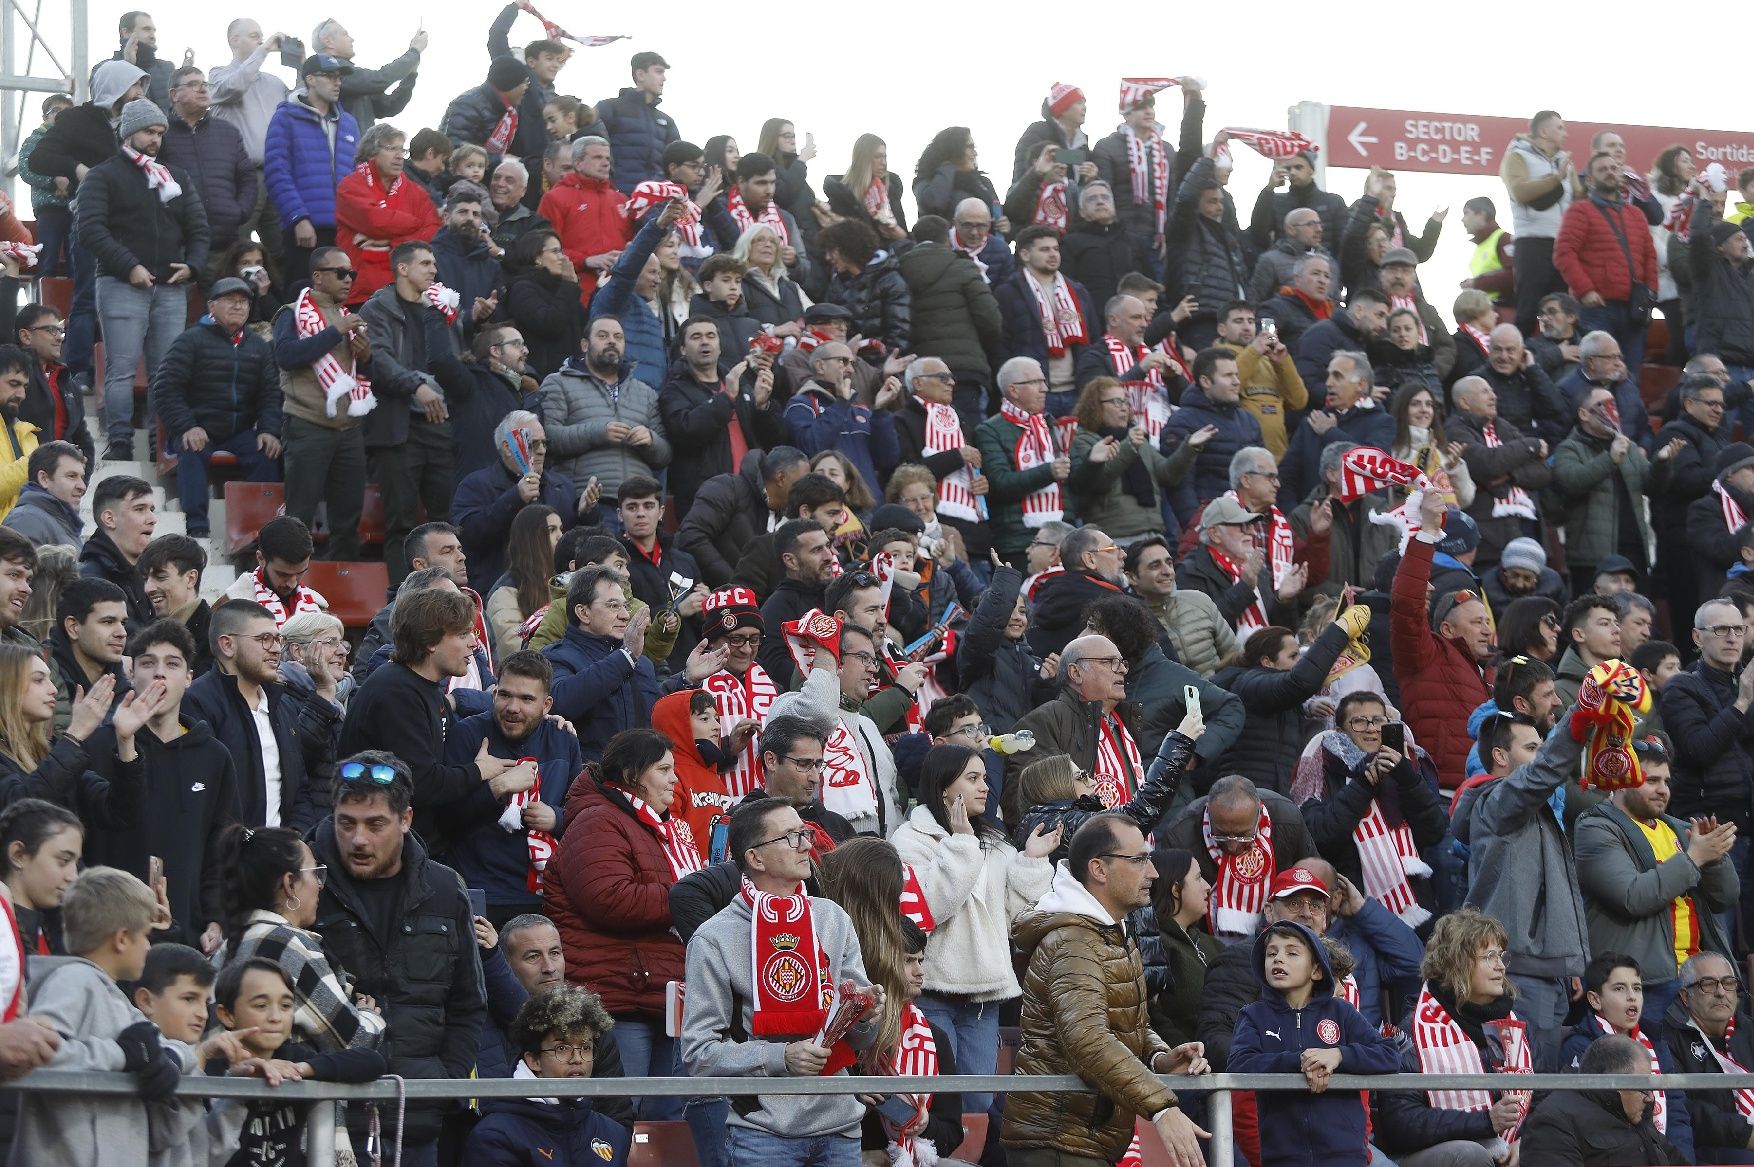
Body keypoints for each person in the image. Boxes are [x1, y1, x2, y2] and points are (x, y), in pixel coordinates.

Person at [680, 796, 883, 1164]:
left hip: (840, 1128)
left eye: (804, 832)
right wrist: (781, 1057)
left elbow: (860, 1037)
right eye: (791, 837)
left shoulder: (832, 918)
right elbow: (698, 1054)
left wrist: (867, 1015)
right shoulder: (714, 938)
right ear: (755, 858)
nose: (808, 843)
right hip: (763, 1134)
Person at [1004, 813, 1210, 1167]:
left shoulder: (1110, 932)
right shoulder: (1075, 942)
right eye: (1140, 860)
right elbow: (1088, 1040)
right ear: (1099, 870)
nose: (1154, 873)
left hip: (1080, 1141)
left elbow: (1132, 1026)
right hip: (1058, 1143)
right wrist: (1161, 1106)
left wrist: (1161, 1058)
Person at [307, 752, 483, 1163]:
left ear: (406, 819)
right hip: (324, 1118)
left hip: (417, 1117)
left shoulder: (444, 888)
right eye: (346, 822)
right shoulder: (305, 880)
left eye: (375, 824)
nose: (359, 839)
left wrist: (445, 1084)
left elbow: (468, 1002)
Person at [890, 744, 1058, 1113]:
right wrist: (963, 844)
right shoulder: (909, 841)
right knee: (934, 1101)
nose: (985, 787)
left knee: (979, 1101)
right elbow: (928, 910)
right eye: (972, 778)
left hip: (985, 996)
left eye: (985, 778)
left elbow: (1018, 919)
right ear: (944, 788)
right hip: (931, 990)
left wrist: (1031, 861)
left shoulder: (997, 843)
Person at [543, 727, 695, 1119]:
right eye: (664, 769)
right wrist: (689, 897)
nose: (674, 779)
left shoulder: (653, 827)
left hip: (659, 998)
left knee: (662, 1130)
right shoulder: (599, 821)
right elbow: (610, 899)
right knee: (623, 1120)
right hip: (620, 999)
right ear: (632, 776)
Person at [10, 867, 189, 1165]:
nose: (148, 945)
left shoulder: (115, 995)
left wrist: (170, 1058)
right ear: (121, 939)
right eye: (146, 935)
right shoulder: (72, 980)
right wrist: (119, 1054)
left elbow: (154, 1044)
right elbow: (38, 1054)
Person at [81, 619, 233, 954]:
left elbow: (220, 849)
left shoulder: (214, 756)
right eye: (148, 664)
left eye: (172, 664)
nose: (159, 673)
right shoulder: (100, 745)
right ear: (132, 675)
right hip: (110, 935)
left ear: (189, 678)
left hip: (184, 936)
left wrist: (216, 917)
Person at [1452, 698, 1589, 1070]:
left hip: (1544, 970)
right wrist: (1580, 717)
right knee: (1528, 1088)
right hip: (1518, 972)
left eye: (1542, 748)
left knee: (1539, 1085)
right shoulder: (1499, 800)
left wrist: (1566, 963)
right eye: (1531, 749)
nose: (1540, 757)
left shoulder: (1530, 808)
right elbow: (1543, 773)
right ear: (1499, 756)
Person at [339, 588, 530, 844]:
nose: (474, 642)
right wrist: (478, 771)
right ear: (430, 642)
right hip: (383, 847)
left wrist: (541, 721)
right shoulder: (396, 693)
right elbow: (421, 783)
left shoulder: (424, 686)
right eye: (463, 634)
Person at [78, 98, 209, 459]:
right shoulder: (103, 175)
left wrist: (192, 267)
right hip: (121, 284)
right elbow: (89, 229)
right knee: (121, 368)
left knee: (165, 373)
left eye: (160, 132)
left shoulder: (176, 177)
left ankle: (159, 444)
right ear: (129, 132)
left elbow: (199, 230)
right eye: (149, 132)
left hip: (170, 288)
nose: (156, 139)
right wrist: (129, 265)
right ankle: (119, 442)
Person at [1372, 907, 1536, 1167]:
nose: (1500, 966)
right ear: (1456, 964)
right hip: (1429, 1153)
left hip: (1506, 1148)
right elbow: (1400, 1122)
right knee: (1470, 1155)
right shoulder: (1413, 1030)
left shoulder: (1514, 1025)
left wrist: (1526, 1140)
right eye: (1488, 956)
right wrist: (1485, 1121)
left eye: (1501, 956)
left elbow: (1544, 1100)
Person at [1232, 917, 1402, 1167]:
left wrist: (1338, 1056)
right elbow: (1239, 1066)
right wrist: (1301, 1061)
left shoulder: (1341, 1012)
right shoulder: (1253, 1016)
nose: (1278, 959)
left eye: (1292, 953)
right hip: (1282, 1158)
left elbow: (1389, 1054)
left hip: (1345, 1156)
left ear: (1317, 970)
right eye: (1271, 953)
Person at [214, 823, 388, 1056]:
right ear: (289, 884)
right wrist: (370, 1016)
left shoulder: (226, 946)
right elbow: (356, 1041)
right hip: (282, 1090)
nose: (320, 884)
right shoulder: (289, 945)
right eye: (316, 872)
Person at [1292, 691, 1450, 921]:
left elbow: (1433, 831)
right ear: (1340, 731)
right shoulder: (1320, 769)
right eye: (1359, 721)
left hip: (1416, 900)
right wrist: (1365, 784)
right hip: (1353, 902)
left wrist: (1406, 775)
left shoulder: (1410, 765)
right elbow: (1321, 835)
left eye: (1378, 720)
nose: (1371, 728)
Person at [151, 277, 282, 537]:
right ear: (211, 305)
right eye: (230, 301)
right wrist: (187, 426)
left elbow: (270, 394)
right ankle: (196, 528)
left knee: (267, 453)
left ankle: (263, 531)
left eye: (243, 301)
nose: (238, 306)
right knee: (191, 450)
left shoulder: (259, 346)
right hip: (199, 426)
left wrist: (269, 429)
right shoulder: (190, 340)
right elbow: (165, 388)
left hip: (240, 430)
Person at [273, 247, 372, 559]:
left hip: (349, 428)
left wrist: (366, 355)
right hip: (307, 423)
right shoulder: (291, 312)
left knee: (348, 516)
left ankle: (343, 583)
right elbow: (287, 356)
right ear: (317, 277)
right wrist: (335, 332)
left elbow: (364, 373)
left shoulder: (347, 317)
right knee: (299, 512)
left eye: (351, 274)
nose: (348, 280)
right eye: (340, 273)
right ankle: (290, 582)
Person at [184, 598, 316, 829]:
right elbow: (198, 794)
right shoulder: (196, 703)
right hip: (227, 858)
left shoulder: (282, 706)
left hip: (282, 855)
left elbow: (299, 789)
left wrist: (296, 840)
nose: (276, 648)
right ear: (227, 645)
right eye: (264, 639)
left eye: (278, 639)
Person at [465, 985, 632, 1166]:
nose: (577, 1059)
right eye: (562, 1048)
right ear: (533, 1060)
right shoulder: (495, 1137)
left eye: (586, 1047)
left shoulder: (613, 1133)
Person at [1212, 611, 1370, 796]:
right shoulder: (1249, 682)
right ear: (1267, 662)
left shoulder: (1268, 688)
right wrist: (1340, 629)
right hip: (1245, 796)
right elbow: (1298, 683)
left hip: (1270, 794)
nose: (1299, 662)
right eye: (1293, 656)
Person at [0, 639, 145, 827]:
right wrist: (74, 734)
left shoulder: (47, 753)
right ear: (7, 687)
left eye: (50, 679)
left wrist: (125, 741)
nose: (53, 689)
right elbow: (20, 811)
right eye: (38, 680)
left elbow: (119, 813)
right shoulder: (58, 754)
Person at [540, 315, 670, 516]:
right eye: (603, 336)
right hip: (587, 501)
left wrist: (651, 441)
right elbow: (548, 439)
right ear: (585, 345)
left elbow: (664, 455)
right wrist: (598, 432)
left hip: (638, 505)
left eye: (618, 337)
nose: (612, 341)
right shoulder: (558, 382)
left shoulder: (646, 392)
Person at [453, 410, 581, 596]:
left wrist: (586, 512)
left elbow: (573, 541)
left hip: (556, 591)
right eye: (532, 444)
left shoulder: (562, 485)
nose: (542, 450)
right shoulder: (476, 485)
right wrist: (515, 497)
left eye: (545, 443)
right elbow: (468, 535)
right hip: (503, 589)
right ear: (507, 447)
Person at [1556, 151, 1660, 372]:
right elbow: (1564, 253)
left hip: (1634, 309)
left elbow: (1649, 255)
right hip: (1598, 309)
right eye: (1603, 169)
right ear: (1590, 180)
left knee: (1630, 377)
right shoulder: (1580, 210)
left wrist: (1650, 292)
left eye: (1614, 168)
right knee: (1599, 374)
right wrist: (1585, 291)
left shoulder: (1636, 214)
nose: (1610, 173)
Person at [263, 54, 362, 284]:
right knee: (304, 295)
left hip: (345, 229)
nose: (337, 82)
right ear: (310, 79)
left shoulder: (349, 123)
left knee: (342, 297)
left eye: (339, 77)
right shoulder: (285, 117)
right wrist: (298, 218)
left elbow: (358, 175)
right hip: (306, 229)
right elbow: (277, 173)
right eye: (329, 76)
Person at [1523, 1032, 1682, 1166]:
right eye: (1643, 1088)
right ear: (1613, 1085)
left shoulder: (1636, 1111)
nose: (1650, 1098)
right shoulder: (1554, 1121)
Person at [975, 358, 1070, 569]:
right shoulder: (989, 430)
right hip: (1018, 542)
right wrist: (1049, 471)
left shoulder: (1051, 425)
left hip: (1063, 536)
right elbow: (1000, 483)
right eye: (1036, 382)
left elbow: (1070, 482)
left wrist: (1093, 461)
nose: (1044, 389)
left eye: (1044, 381)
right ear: (1014, 390)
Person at [1448, 375, 1551, 568]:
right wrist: (1532, 444)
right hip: (1488, 538)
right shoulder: (1455, 430)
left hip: (1525, 528)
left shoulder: (1504, 427)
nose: (1493, 396)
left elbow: (1543, 471)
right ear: (1464, 402)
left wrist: (1511, 475)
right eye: (1485, 391)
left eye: (1492, 391)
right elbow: (1488, 464)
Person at [1660, 951, 1754, 1163]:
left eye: (1728, 983)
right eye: (1708, 984)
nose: (1721, 992)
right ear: (1685, 996)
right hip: (1716, 1146)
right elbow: (1684, 1107)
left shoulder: (1750, 1029)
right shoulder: (1668, 1038)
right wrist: (1744, 1133)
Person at [334, 122, 441, 308]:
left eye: (402, 150)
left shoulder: (416, 192)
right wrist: (415, 223)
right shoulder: (350, 186)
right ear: (371, 153)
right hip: (361, 294)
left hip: (407, 291)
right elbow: (375, 221)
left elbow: (433, 230)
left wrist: (391, 242)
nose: (400, 156)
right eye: (392, 149)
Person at [994, 228, 1096, 415]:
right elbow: (1001, 344)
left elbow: (1093, 339)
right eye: (1044, 250)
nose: (1053, 254)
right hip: (1034, 393)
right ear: (1025, 254)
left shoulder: (1077, 292)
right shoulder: (1008, 293)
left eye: (1056, 249)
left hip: (1076, 391)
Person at [1124, 535, 1238, 677]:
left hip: (1223, 689)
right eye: (1155, 566)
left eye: (1169, 563)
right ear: (1132, 577)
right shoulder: (1127, 620)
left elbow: (1234, 654)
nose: (1167, 572)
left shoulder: (1199, 600)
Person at [221, 515, 326, 628]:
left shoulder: (319, 607)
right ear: (261, 559)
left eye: (300, 573)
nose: (292, 583)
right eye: (282, 574)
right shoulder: (229, 609)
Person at [593, 51, 677, 193]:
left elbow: (677, 163)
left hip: (657, 202)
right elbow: (589, 149)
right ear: (640, 75)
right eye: (658, 72)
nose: (664, 78)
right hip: (618, 197)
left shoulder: (667, 121)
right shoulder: (609, 108)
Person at [1, 441, 84, 551]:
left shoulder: (59, 522)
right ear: (44, 479)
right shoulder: (27, 521)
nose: (82, 486)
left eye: (82, 477)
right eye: (72, 476)